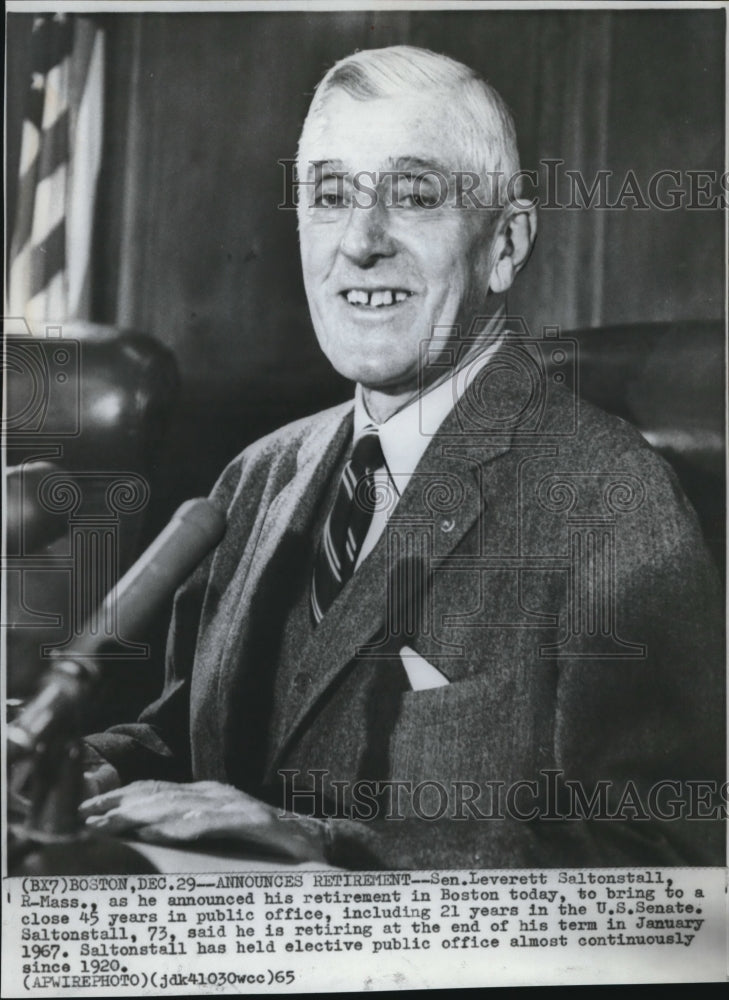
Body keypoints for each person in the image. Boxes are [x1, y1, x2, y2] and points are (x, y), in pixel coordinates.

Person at [81, 46, 724, 869]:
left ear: (504, 243)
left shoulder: (608, 497)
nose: (359, 242)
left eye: (414, 196)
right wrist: (93, 768)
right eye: (329, 196)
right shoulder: (256, 477)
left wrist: (320, 842)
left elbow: (666, 860)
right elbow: (195, 741)